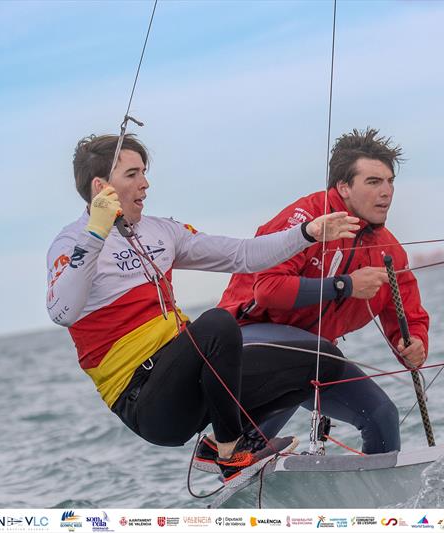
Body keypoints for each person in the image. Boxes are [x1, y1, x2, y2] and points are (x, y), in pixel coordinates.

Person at [46, 134, 359, 484]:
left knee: (321, 360)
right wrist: (96, 233)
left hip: (188, 378)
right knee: (217, 324)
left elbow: (243, 255)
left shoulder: (161, 231)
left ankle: (220, 446)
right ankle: (231, 453)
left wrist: (307, 233)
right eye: (132, 174)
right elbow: (62, 312)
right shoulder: (72, 242)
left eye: (144, 172)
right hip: (145, 400)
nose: (145, 184)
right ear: (101, 187)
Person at [217, 128, 429, 455]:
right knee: (308, 355)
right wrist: (346, 286)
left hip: (312, 356)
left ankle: (378, 487)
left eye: (390, 182)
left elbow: (408, 315)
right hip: (245, 338)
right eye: (373, 182)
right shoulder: (307, 220)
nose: (386, 192)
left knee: (381, 415)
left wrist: (414, 343)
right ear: (343, 187)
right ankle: (234, 455)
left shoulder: (390, 252)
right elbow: (268, 290)